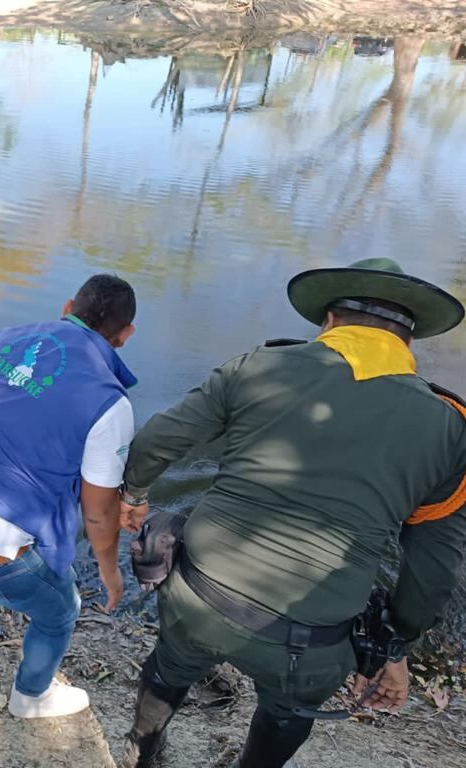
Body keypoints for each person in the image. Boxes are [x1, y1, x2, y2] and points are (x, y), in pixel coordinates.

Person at [117, 258, 466, 768]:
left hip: (197, 595)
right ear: (407, 343)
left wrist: (133, 494)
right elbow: (432, 572)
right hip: (311, 641)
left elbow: (155, 441)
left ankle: (141, 755)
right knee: (288, 707)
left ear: (327, 322)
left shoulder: (256, 366)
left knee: (171, 665)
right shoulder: (449, 429)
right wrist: (393, 650)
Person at [0, 274, 141, 719]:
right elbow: (97, 513)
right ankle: (31, 697)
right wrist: (111, 574)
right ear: (125, 335)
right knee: (61, 610)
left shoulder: (6, 338)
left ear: (68, 305)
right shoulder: (111, 404)